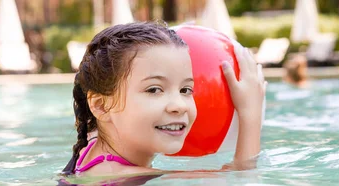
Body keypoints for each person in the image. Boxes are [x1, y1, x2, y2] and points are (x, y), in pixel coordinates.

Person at [61, 22, 266, 177]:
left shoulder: (95, 143)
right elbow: (240, 175)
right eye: (154, 89)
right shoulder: (119, 175)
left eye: (186, 89)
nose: (178, 105)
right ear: (100, 106)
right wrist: (251, 114)